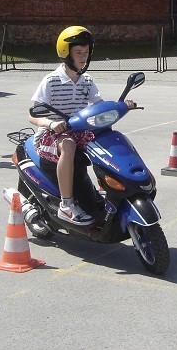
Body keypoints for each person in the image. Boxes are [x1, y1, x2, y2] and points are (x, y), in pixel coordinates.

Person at [29, 26, 135, 225]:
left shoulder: (87, 80)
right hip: (52, 134)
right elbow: (33, 116)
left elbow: (98, 105)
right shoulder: (51, 81)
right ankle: (66, 205)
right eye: (78, 52)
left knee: (108, 138)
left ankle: (109, 187)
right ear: (65, 53)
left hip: (78, 129)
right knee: (68, 145)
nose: (83, 57)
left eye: (86, 53)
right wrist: (51, 123)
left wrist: (122, 106)